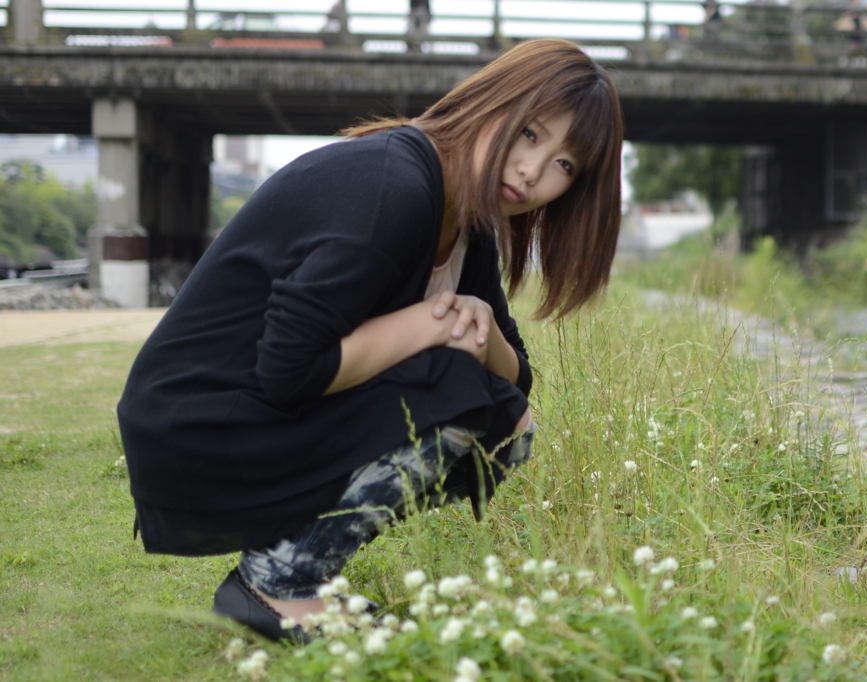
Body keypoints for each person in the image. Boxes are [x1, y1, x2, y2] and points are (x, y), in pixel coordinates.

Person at [117, 38, 623, 642]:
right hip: (197, 419)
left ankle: (297, 566)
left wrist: (480, 328)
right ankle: (275, 585)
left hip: (262, 412)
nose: (533, 171)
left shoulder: (471, 221)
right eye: (531, 135)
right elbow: (288, 369)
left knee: (506, 420)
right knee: (454, 385)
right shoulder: (395, 185)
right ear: (493, 103)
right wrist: (434, 322)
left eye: (565, 165)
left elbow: (515, 382)